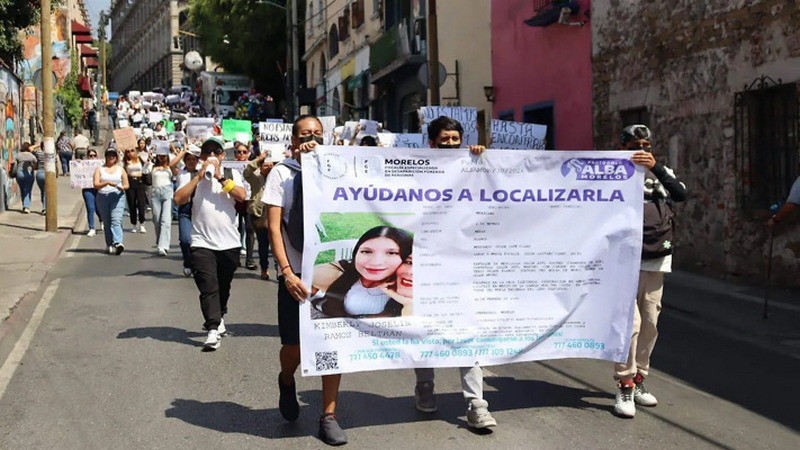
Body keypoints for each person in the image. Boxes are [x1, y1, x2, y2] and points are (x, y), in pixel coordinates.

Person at [263, 114, 347, 445]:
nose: (312, 137)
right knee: (294, 347)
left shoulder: (340, 169)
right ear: (294, 141)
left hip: (331, 272)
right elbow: (273, 228)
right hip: (296, 275)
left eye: (317, 133)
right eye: (304, 134)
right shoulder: (282, 174)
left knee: (332, 344)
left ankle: (328, 415)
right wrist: (286, 272)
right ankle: (286, 379)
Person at [412, 115, 497, 429]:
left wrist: (482, 160)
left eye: (455, 139)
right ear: (431, 144)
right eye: (444, 140)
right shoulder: (416, 173)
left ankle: (476, 404)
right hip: (425, 266)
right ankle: (424, 387)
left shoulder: (473, 166)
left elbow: (496, 188)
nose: (450, 145)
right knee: (425, 331)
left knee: (468, 331)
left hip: (464, 266)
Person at [613, 124, 687, 418]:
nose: (641, 150)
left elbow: (680, 194)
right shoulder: (611, 173)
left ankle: (641, 379)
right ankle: (625, 384)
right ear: (622, 147)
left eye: (646, 145)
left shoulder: (660, 173)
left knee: (650, 323)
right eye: (634, 144)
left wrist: (656, 168)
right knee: (629, 326)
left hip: (656, 259)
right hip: (623, 262)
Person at [174, 136, 247, 351]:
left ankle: (220, 313)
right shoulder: (189, 176)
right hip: (201, 242)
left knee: (223, 286)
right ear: (201, 156)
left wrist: (220, 178)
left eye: (216, 152)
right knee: (208, 286)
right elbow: (179, 199)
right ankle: (212, 329)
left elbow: (241, 196)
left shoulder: (232, 174)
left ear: (223, 156)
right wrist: (199, 177)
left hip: (229, 243)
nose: (212, 156)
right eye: (207, 153)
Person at [311, 226, 412, 318]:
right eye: (366, 251)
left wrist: (407, 303)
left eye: (391, 253)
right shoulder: (338, 274)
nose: (376, 262)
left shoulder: (406, 288)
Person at [242, 149, 274, 279]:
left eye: (272, 165)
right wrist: (259, 159)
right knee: (263, 243)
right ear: (260, 167)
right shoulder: (256, 178)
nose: (270, 168)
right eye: (266, 165)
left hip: (275, 213)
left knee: (278, 243)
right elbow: (246, 172)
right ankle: (264, 268)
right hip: (259, 214)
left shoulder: (277, 177)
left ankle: (279, 269)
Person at [94, 147, 129, 255]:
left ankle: (118, 243)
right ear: (106, 157)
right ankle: (109, 244)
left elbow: (126, 184)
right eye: (109, 155)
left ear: (116, 157)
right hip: (103, 196)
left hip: (117, 197)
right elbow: (95, 185)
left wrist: (123, 187)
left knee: (116, 220)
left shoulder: (120, 169)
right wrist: (106, 183)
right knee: (107, 222)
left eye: (113, 155)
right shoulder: (100, 169)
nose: (111, 157)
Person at [150, 145, 180, 256]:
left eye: (164, 156)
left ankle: (163, 246)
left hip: (167, 192)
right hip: (155, 193)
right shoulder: (152, 167)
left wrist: (174, 149)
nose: (162, 158)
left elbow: (177, 165)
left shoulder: (170, 167)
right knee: (157, 219)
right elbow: (145, 172)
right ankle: (160, 241)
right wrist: (149, 160)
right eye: (160, 156)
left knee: (166, 220)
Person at [177, 145, 201, 277]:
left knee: (198, 240)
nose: (191, 161)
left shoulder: (202, 172)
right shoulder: (181, 172)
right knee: (185, 239)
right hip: (185, 209)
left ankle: (197, 265)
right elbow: (171, 164)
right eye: (189, 159)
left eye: (194, 159)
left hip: (199, 209)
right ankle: (188, 263)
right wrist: (183, 151)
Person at [123, 141, 149, 233]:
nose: (131, 153)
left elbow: (146, 166)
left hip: (140, 182)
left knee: (141, 203)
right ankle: (134, 224)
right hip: (130, 182)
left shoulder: (139, 159)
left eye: (132, 150)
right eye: (128, 151)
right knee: (132, 204)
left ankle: (142, 223)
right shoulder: (125, 161)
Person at [82, 150, 103, 236]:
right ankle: (92, 228)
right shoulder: (83, 165)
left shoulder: (101, 166)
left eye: (94, 155)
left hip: (98, 189)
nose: (92, 157)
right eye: (90, 156)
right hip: (87, 189)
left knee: (98, 208)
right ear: (87, 157)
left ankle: (102, 220)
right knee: (90, 208)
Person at [13, 142, 38, 214]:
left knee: (22, 189)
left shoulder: (18, 155)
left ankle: (24, 205)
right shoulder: (32, 156)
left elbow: (13, 163)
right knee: (28, 190)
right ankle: (26, 206)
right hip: (29, 174)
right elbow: (36, 163)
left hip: (19, 174)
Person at [31, 142, 46, 214]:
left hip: (40, 173)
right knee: (47, 192)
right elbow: (55, 165)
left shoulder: (39, 153)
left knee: (43, 191)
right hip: (49, 174)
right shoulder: (52, 154)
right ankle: (46, 208)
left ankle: (44, 207)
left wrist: (38, 144)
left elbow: (30, 148)